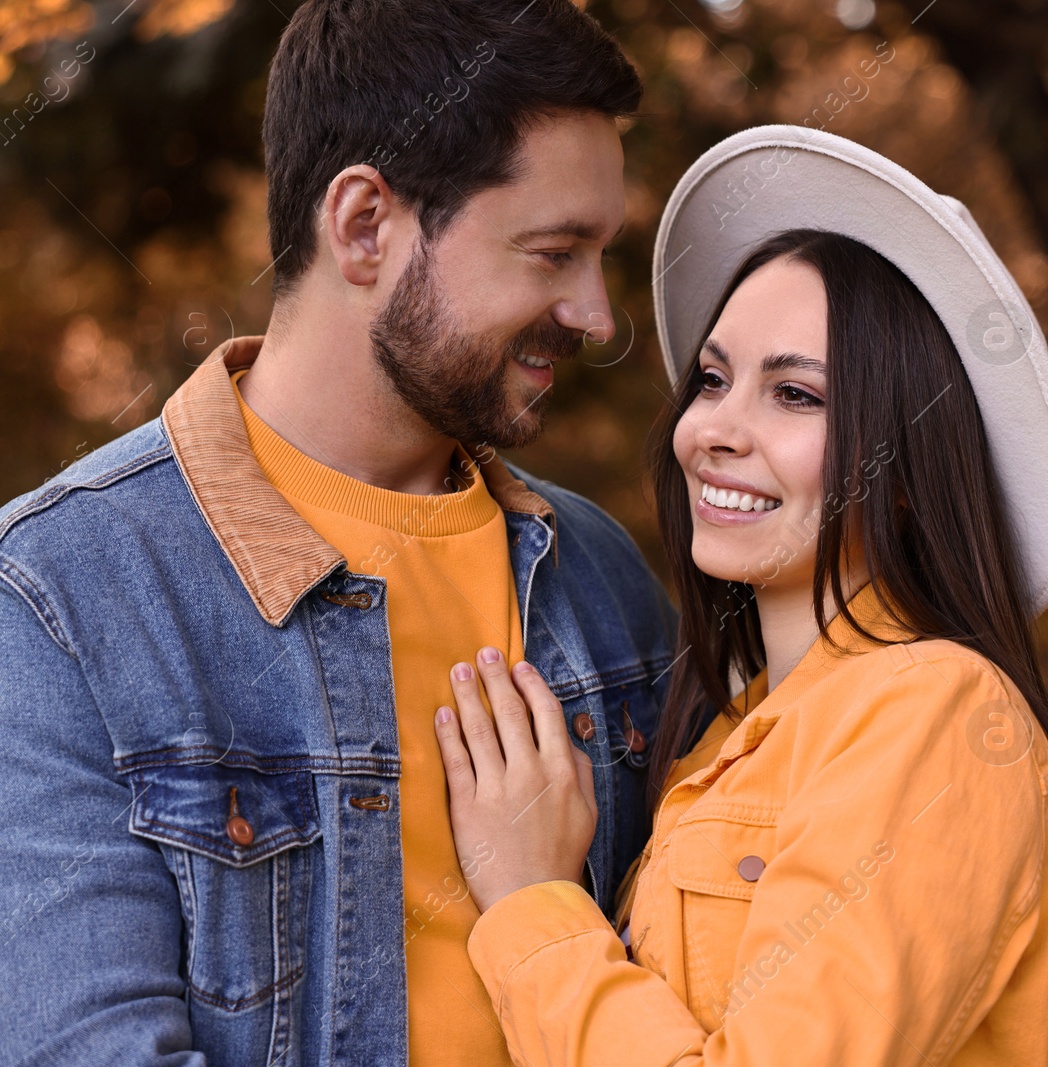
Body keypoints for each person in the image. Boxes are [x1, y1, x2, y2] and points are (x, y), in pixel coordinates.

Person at [0, 3, 676, 1064]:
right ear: (364, 225)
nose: (595, 314)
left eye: (601, 256)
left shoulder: (600, 580)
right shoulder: (60, 598)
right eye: (554, 253)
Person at [434, 126, 1048, 1066]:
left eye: (795, 395)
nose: (715, 426)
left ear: (908, 464)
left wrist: (527, 905)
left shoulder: (936, 710)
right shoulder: (725, 738)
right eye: (713, 380)